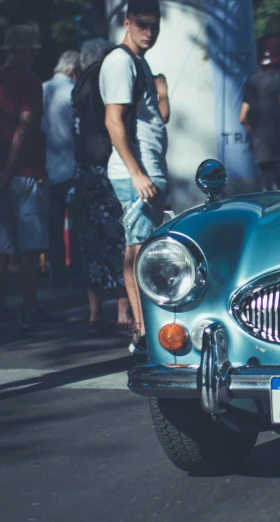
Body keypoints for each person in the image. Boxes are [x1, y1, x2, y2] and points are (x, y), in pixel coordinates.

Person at [100, 0, 170, 354]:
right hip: (135, 175)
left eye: (154, 25)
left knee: (142, 249)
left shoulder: (139, 62)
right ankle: (143, 333)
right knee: (139, 252)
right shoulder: (120, 62)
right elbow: (113, 120)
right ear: (126, 23)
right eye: (142, 24)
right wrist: (137, 172)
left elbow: (156, 119)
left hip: (145, 172)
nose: (149, 32)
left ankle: (144, 331)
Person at [72, 38, 134, 335]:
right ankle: (123, 311)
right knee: (118, 237)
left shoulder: (80, 83)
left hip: (84, 168)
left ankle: (95, 313)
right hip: (106, 165)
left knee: (90, 241)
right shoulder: (104, 80)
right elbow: (115, 121)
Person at [0, 25, 57, 328]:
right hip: (25, 173)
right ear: (24, 52)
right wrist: (9, 170)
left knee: (2, 244)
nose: (34, 57)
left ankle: (3, 308)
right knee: (30, 245)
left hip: (4, 173)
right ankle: (30, 309)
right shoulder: (30, 80)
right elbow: (25, 128)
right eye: (32, 52)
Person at [239, 36, 280, 192]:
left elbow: (242, 117)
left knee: (268, 191)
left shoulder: (253, 81)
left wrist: (254, 133)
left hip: (262, 146)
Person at [42, 50, 80, 290]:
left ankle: (57, 274)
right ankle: (75, 272)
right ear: (75, 70)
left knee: (52, 225)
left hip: (45, 166)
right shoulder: (73, 91)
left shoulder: (42, 88)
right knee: (76, 224)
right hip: (71, 166)